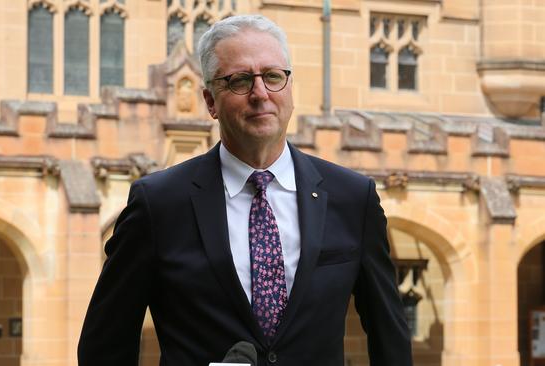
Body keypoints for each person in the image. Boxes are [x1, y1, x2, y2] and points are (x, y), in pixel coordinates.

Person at [78, 14, 413, 366]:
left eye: (273, 76)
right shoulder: (158, 203)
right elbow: (105, 344)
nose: (260, 93)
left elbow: (389, 335)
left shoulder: (352, 198)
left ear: (290, 88)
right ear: (209, 101)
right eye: (239, 81)